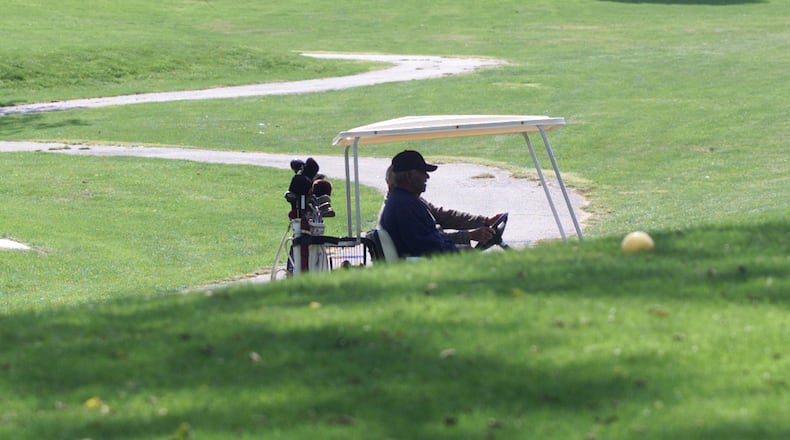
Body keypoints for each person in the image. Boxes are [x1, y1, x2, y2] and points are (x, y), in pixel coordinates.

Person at [379, 150, 500, 257]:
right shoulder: (405, 206)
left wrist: (484, 222)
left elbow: (445, 218)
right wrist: (467, 239)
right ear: (410, 176)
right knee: (473, 256)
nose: (427, 176)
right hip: (420, 263)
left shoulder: (408, 201)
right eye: (422, 172)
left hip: (421, 256)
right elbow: (427, 245)